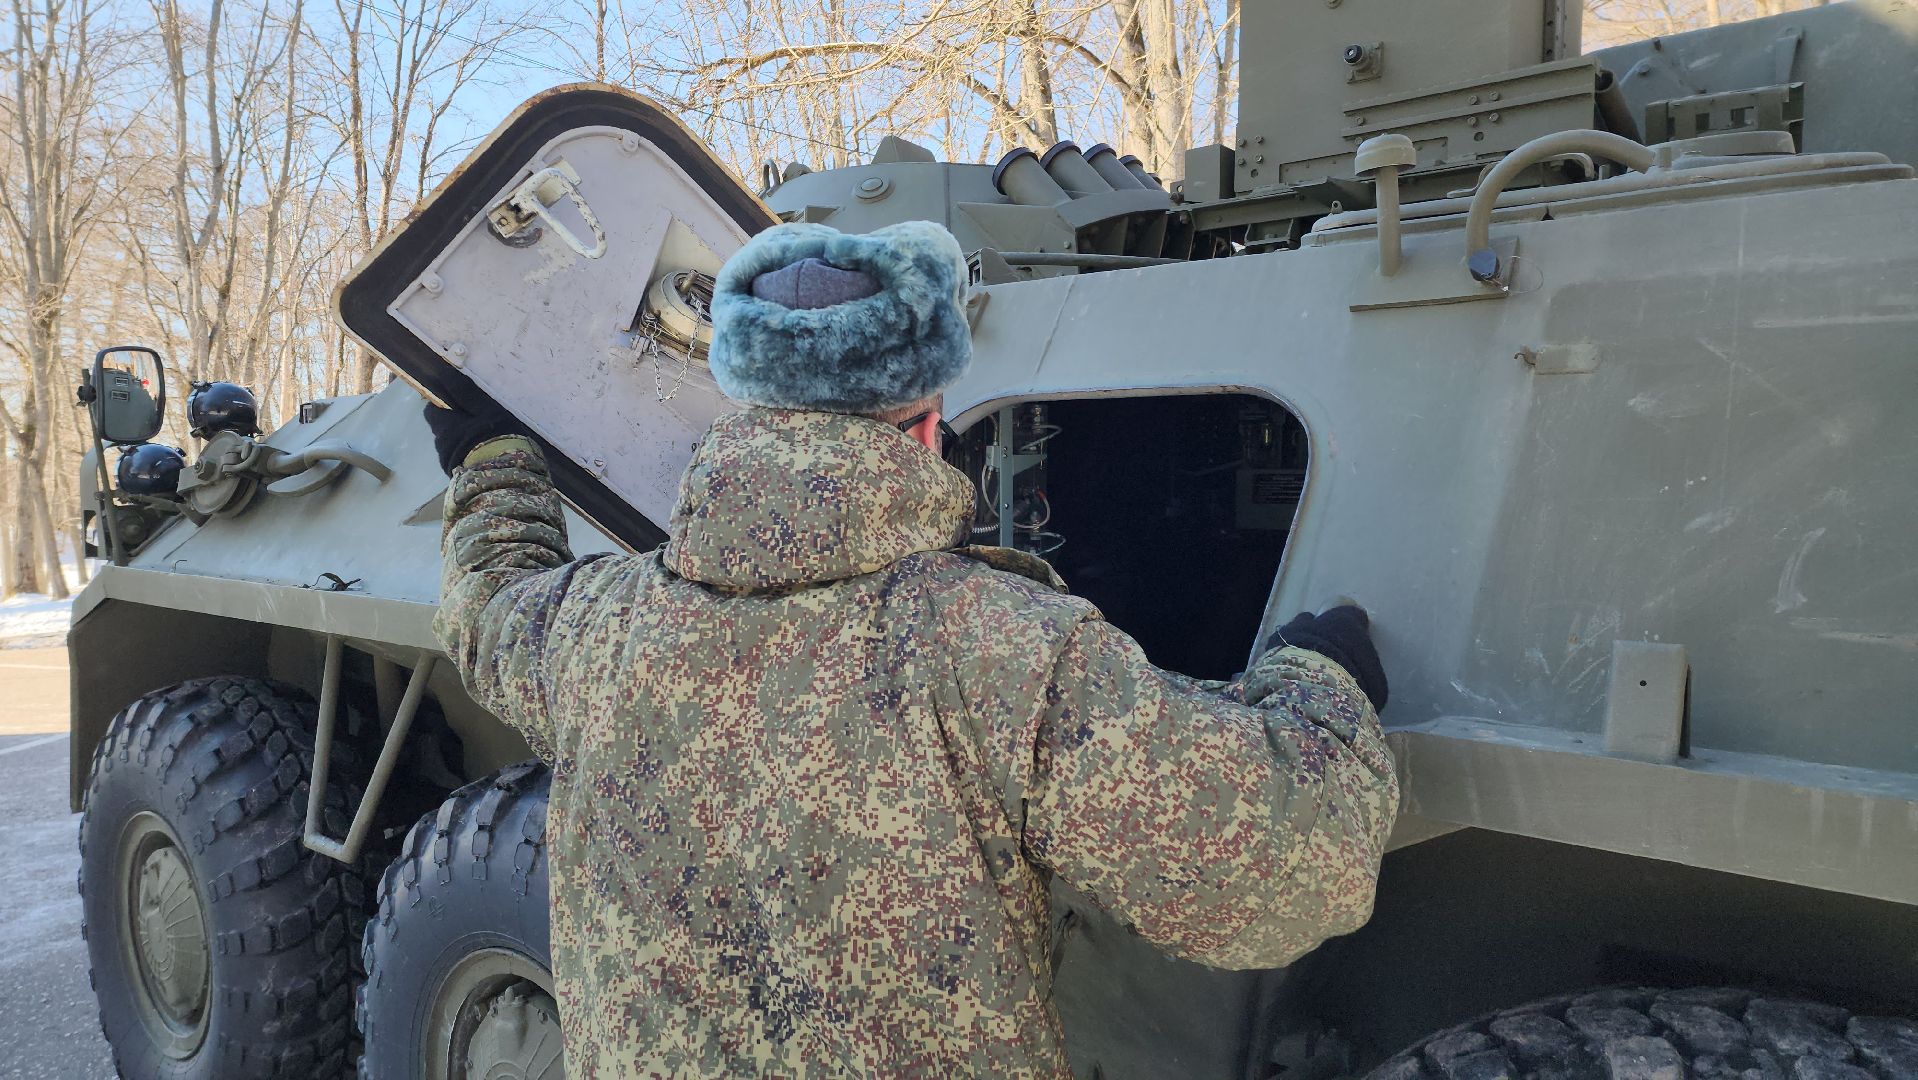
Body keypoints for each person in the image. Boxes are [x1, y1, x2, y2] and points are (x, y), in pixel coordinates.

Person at [424, 220, 1399, 1078]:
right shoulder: (993, 648)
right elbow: (1280, 870)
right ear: (928, 422)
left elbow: (488, 608)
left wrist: (491, 463)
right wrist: (1322, 682)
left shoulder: (599, 628)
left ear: (744, 409)